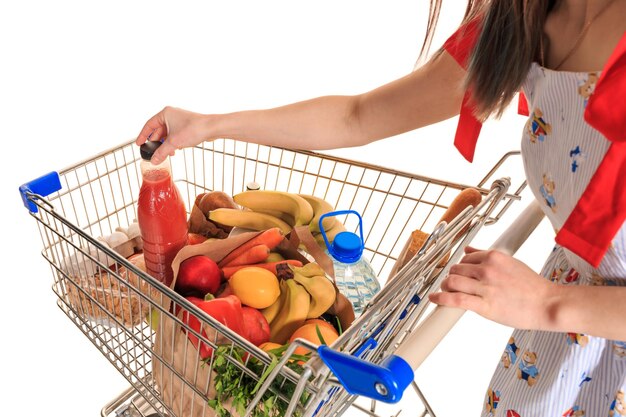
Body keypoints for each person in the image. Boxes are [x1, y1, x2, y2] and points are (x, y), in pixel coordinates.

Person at [136, 1, 626, 415]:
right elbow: (359, 116)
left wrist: (546, 303)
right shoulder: (525, 17)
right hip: (566, 347)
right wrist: (206, 125)